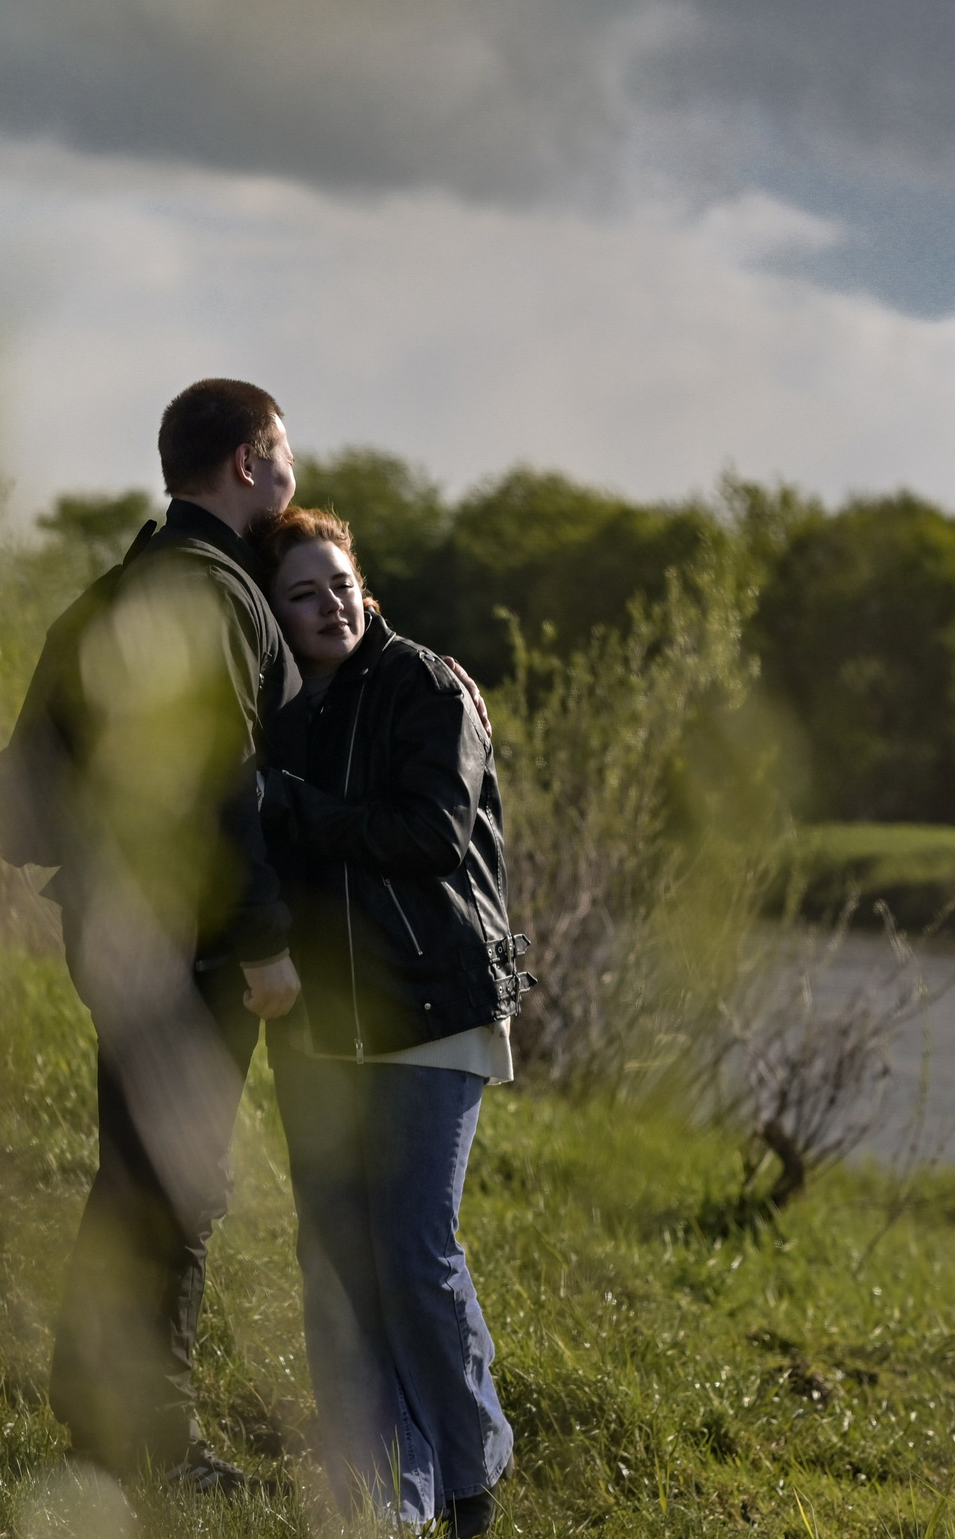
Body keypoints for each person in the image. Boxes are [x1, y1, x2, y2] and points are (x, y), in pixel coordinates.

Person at [0, 378, 304, 1490]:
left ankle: (96, 1406)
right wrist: (266, 941)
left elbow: (11, 803)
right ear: (252, 457)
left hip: (118, 926)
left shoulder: (118, 587)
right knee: (175, 1181)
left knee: (139, 1170)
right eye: (285, 451)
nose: (289, 471)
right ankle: (153, 1441)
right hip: (189, 935)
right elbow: (224, 779)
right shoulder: (212, 593)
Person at [252, 506, 531, 1537]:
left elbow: (430, 830)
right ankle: (383, 1502)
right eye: (302, 592)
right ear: (273, 613)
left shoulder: (426, 682)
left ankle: (468, 1478)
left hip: (430, 1006)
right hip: (322, 1019)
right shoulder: (276, 708)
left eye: (339, 581)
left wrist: (286, 800)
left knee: (413, 1249)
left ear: (363, 584)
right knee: (333, 1262)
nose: (329, 603)